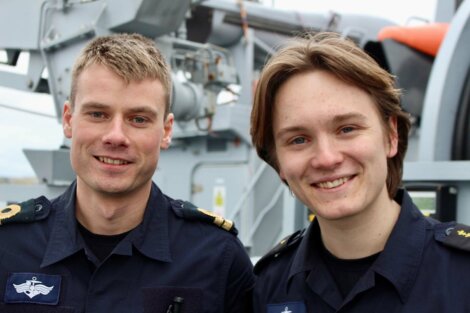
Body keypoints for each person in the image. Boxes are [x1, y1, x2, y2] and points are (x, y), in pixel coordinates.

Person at [0, 33, 254, 313]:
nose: (116, 136)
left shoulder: (218, 258)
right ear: (69, 119)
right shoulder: (7, 247)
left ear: (166, 131)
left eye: (138, 119)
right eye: (98, 114)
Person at [250, 32, 470, 312]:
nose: (326, 159)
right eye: (299, 139)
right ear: (278, 163)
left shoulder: (462, 275)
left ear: (391, 136)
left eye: (347, 129)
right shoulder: (268, 285)